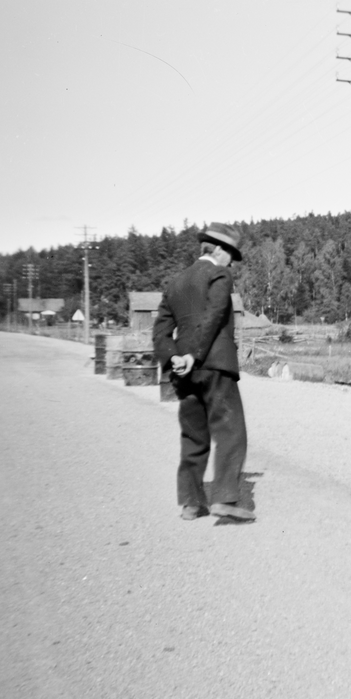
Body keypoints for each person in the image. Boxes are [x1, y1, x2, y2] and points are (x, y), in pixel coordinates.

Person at [153, 223, 255, 521]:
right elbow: (213, 315)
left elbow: (160, 332)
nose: (232, 262)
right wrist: (194, 355)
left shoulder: (175, 283)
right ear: (219, 250)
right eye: (231, 254)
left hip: (184, 373)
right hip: (214, 365)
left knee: (193, 435)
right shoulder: (219, 275)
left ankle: (191, 503)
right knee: (231, 431)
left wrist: (174, 357)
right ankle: (224, 498)